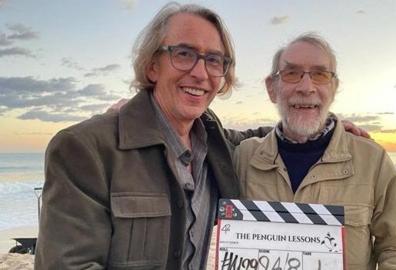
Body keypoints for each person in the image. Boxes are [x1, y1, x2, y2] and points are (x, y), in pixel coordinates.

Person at [34, 3, 271, 269]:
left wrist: (317, 119)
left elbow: (272, 139)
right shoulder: (86, 149)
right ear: (151, 67)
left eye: (214, 60)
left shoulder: (215, 142)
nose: (200, 73)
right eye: (183, 54)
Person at [233, 33, 396, 270]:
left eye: (320, 74)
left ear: (334, 87)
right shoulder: (242, 157)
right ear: (272, 88)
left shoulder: (372, 160)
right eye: (291, 73)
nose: (306, 87)